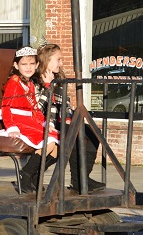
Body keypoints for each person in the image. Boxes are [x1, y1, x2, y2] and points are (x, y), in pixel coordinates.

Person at [34, 43, 105, 193]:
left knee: (93, 133)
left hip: (60, 122)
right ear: (47, 60)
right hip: (45, 124)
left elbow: (65, 105)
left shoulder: (59, 79)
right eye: (58, 59)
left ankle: (82, 178)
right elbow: (39, 109)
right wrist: (47, 86)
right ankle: (77, 180)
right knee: (72, 135)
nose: (61, 63)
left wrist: (68, 118)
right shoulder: (36, 80)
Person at [0, 46, 59, 193]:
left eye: (31, 64)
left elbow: (35, 109)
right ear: (16, 65)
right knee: (49, 142)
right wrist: (11, 126)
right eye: (24, 64)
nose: (28, 67)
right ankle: (26, 175)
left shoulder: (29, 83)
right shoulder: (14, 81)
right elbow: (6, 106)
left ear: (37, 65)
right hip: (18, 122)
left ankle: (35, 176)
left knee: (57, 148)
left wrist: (46, 122)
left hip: (31, 122)